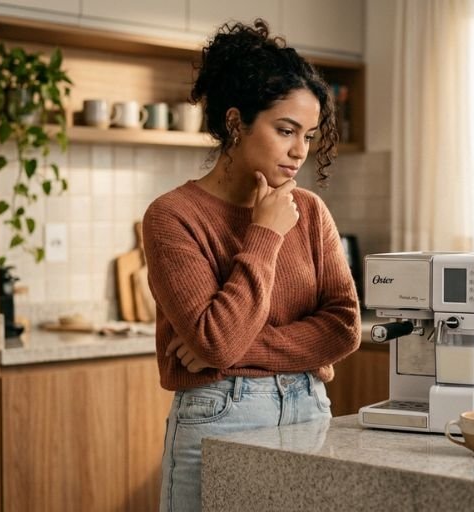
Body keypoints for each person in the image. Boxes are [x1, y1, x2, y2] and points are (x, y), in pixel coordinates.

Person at [141, 19, 362, 512]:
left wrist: (235, 351)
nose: (300, 151)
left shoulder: (311, 212)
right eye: (285, 130)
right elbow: (217, 341)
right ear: (236, 123)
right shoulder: (172, 216)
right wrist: (265, 233)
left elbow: (345, 327)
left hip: (308, 411)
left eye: (308, 135)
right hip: (220, 416)